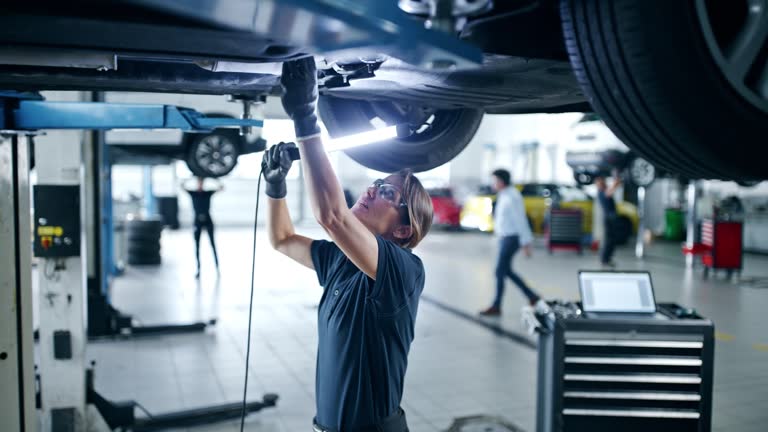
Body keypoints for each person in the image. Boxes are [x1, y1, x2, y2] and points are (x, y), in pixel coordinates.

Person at [263, 57, 433, 432]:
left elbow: (332, 216)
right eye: (376, 182)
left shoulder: (403, 272)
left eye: (387, 192)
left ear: (404, 230)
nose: (372, 188)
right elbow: (283, 240)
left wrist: (306, 117)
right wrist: (276, 188)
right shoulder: (342, 261)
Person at [480, 169, 540, 316]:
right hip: (505, 238)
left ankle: (497, 306)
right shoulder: (504, 194)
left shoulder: (513, 196)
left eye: (495, 180)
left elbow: (520, 219)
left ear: (501, 181)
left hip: (512, 238)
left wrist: (526, 243)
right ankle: (532, 296)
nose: (493, 184)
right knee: (506, 271)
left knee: (500, 271)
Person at [183, 177, 221, 278]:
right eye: (198, 183)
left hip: (208, 220)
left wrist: (213, 178)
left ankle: (217, 268)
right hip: (197, 221)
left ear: (203, 184)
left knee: (212, 244)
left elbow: (221, 187)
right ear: (197, 184)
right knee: (197, 246)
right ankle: (198, 269)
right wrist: (190, 178)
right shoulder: (193, 193)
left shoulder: (208, 193)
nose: (200, 185)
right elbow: (182, 186)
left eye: (201, 183)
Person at [595, 172, 622, 267]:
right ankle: (604, 259)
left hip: (611, 218)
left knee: (612, 240)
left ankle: (608, 258)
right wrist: (616, 183)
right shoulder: (601, 192)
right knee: (608, 240)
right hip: (608, 219)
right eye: (601, 181)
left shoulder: (603, 190)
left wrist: (615, 183)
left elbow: (610, 190)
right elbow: (609, 192)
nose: (603, 182)